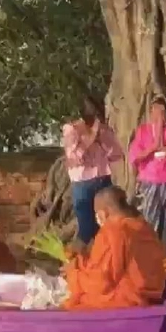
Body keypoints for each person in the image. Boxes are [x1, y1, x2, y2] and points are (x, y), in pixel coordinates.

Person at [63, 186, 166, 309]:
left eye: (97, 214)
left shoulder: (112, 232)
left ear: (103, 213)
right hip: (154, 293)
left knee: (74, 302)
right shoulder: (144, 226)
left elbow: (100, 283)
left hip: (130, 299)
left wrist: (73, 272)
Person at [128, 95, 166, 251]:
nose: (159, 114)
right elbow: (134, 156)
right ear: (150, 112)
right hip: (150, 181)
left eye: (163, 111)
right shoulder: (143, 131)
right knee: (150, 219)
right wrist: (153, 147)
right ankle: (150, 253)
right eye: (155, 110)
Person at [62, 95, 124, 245]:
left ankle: (106, 257)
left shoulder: (102, 129)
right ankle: (87, 261)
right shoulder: (72, 129)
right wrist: (90, 137)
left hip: (103, 179)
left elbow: (116, 154)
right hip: (83, 183)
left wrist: (102, 138)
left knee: (108, 224)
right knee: (87, 226)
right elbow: (75, 158)